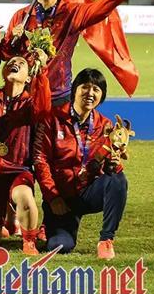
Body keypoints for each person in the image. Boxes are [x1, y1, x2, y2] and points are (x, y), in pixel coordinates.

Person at [6, 0, 135, 106]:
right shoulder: (20, 17)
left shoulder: (72, 13)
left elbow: (99, 9)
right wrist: (11, 38)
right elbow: (6, 55)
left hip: (58, 97)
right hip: (24, 94)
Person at [34, 68, 128, 260]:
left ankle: (106, 240)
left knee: (118, 180)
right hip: (62, 198)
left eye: (96, 89)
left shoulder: (105, 125)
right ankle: (50, 225)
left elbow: (109, 164)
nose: (90, 93)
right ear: (75, 89)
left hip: (88, 192)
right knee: (59, 246)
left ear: (102, 96)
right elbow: (40, 160)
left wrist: (114, 164)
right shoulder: (53, 118)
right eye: (85, 87)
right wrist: (53, 198)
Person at [0, 52, 51, 254]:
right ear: (3, 71)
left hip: (17, 170)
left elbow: (45, 109)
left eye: (21, 63)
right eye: (10, 62)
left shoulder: (31, 104)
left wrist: (42, 71)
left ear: (28, 78)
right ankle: (7, 219)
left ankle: (29, 241)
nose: (15, 63)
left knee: (25, 197)